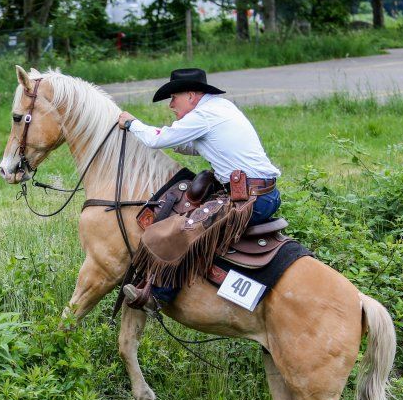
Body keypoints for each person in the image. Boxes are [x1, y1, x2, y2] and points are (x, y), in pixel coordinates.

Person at [118, 68, 282, 312]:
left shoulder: (203, 116)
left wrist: (131, 124)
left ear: (192, 95)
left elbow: (156, 140)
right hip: (259, 193)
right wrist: (174, 139)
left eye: (174, 97)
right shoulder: (220, 108)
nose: (171, 105)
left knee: (185, 230)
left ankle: (158, 295)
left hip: (249, 199)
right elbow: (199, 145)